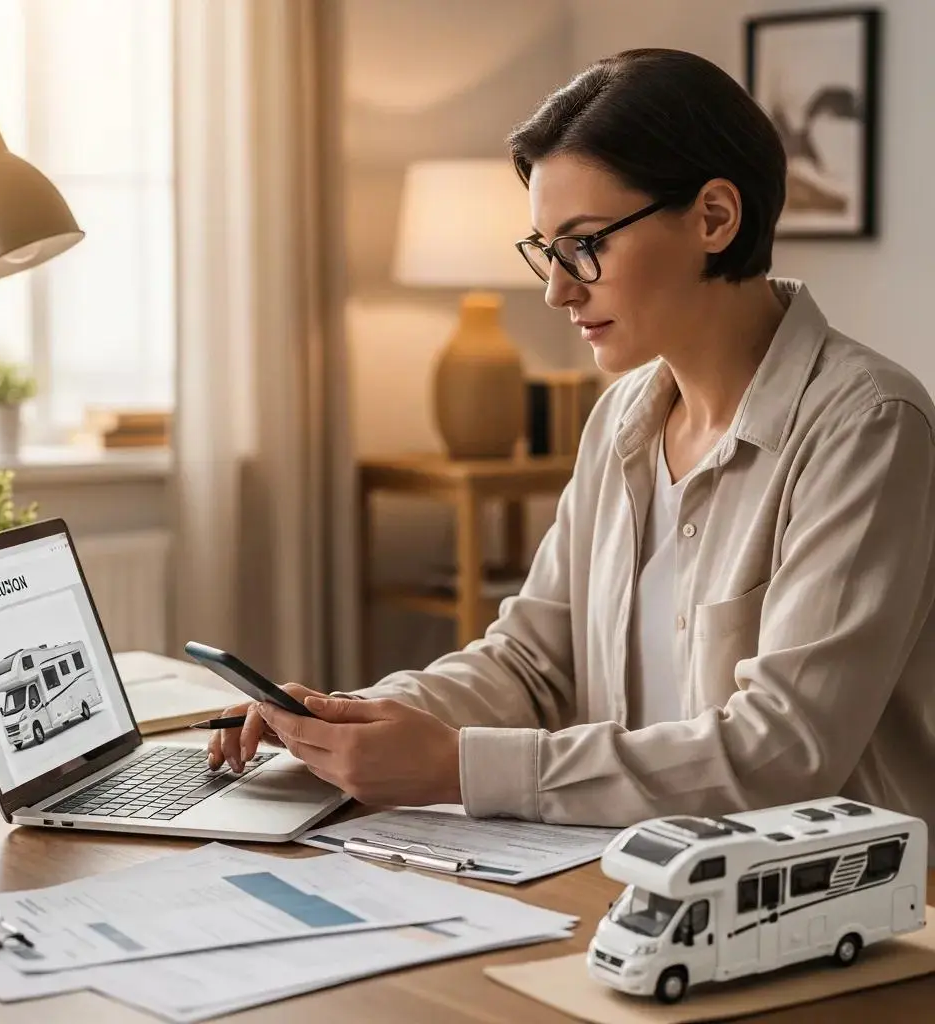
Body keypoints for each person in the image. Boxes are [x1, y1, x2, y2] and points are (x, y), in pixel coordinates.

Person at [208, 48, 935, 850]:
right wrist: (347, 722)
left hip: (840, 909)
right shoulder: (622, 415)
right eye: (547, 251)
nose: (558, 288)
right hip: (639, 873)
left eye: (586, 244)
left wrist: (457, 767)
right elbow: (530, 663)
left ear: (715, 219)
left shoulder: (868, 424)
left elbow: (782, 753)